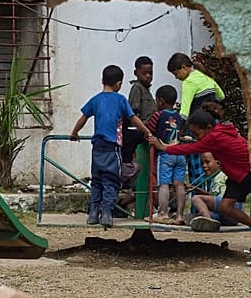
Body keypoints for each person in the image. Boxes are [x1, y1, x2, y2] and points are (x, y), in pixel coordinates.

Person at [151, 109, 251, 253]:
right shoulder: (219, 132)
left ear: (208, 128)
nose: (197, 138)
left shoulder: (215, 137)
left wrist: (163, 147)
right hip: (237, 176)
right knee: (225, 207)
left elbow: (192, 149)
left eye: (198, 134)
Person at [70, 65, 152, 228]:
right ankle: (107, 212)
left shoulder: (95, 99)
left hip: (97, 147)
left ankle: (93, 213)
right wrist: (147, 131)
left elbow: (83, 118)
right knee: (111, 180)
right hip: (113, 147)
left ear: (102, 80)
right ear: (119, 84)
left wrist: (74, 132)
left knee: (97, 180)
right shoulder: (120, 99)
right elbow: (133, 118)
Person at [148, 84, 188, 223]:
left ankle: (163, 213)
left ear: (160, 100)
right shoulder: (179, 117)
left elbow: (148, 130)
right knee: (179, 184)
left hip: (165, 154)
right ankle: (180, 215)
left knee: (164, 184)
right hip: (180, 154)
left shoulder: (157, 115)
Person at [167, 52, 224, 118]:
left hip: (198, 123)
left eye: (176, 74)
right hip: (212, 122)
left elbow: (184, 113)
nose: (176, 77)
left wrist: (178, 125)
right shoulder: (206, 77)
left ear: (183, 67)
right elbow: (221, 96)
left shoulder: (188, 82)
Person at [122, 56, 156, 166]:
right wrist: (143, 130)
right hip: (140, 133)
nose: (148, 76)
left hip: (147, 133)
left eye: (150, 73)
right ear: (136, 73)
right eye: (144, 73)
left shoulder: (146, 89)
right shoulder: (137, 88)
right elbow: (132, 113)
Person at [188, 152, 231, 232]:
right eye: (202, 163)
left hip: (230, 209)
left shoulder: (224, 174)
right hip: (227, 217)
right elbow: (212, 196)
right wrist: (197, 189)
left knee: (196, 198)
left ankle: (208, 221)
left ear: (218, 163)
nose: (204, 166)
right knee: (201, 213)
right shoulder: (213, 178)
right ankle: (199, 219)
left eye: (207, 162)